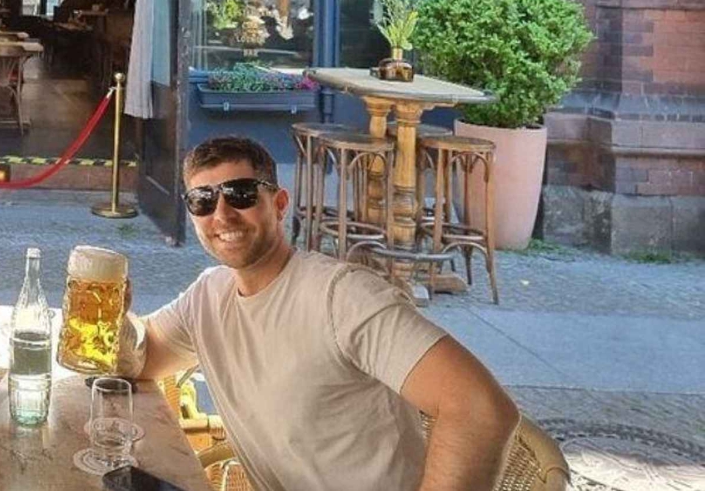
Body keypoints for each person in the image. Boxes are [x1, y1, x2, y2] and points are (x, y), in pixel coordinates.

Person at [119, 135, 518, 491]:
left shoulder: (341, 297)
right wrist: (112, 318)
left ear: (279, 204)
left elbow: (480, 411)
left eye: (240, 194)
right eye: (203, 201)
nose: (221, 214)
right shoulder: (208, 297)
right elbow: (142, 357)